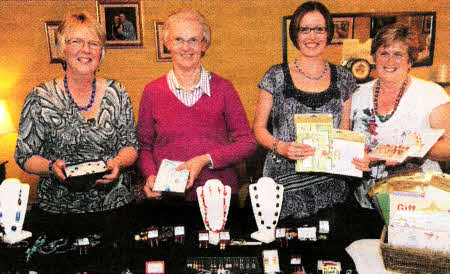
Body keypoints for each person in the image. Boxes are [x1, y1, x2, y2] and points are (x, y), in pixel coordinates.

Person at [14, 12, 139, 244]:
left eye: (93, 43)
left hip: (115, 211)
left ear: (101, 52)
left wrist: (118, 163)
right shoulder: (40, 97)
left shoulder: (117, 92)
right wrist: (51, 167)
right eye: (76, 41)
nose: (86, 49)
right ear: (63, 49)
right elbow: (24, 155)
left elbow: (131, 145)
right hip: (60, 216)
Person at [137, 8, 256, 227]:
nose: (186, 47)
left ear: (204, 44)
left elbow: (247, 143)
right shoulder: (152, 92)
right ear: (168, 44)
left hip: (217, 197)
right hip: (169, 198)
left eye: (193, 40)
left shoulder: (224, 89)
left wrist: (204, 159)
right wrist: (150, 175)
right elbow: (144, 146)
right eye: (178, 39)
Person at [253, 1, 359, 224]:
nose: (312, 37)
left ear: (328, 33)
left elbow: (345, 132)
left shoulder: (345, 78)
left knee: (329, 254)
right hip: (283, 184)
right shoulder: (275, 76)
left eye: (319, 29)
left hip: (330, 185)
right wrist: (281, 147)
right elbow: (259, 129)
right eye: (305, 29)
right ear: (296, 34)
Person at [351, 23, 450, 209]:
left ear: (410, 60)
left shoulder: (431, 94)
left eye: (398, 54)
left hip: (418, 202)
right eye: (384, 53)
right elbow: (347, 140)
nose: (389, 61)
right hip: (366, 203)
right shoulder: (357, 94)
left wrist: (410, 151)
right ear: (374, 57)